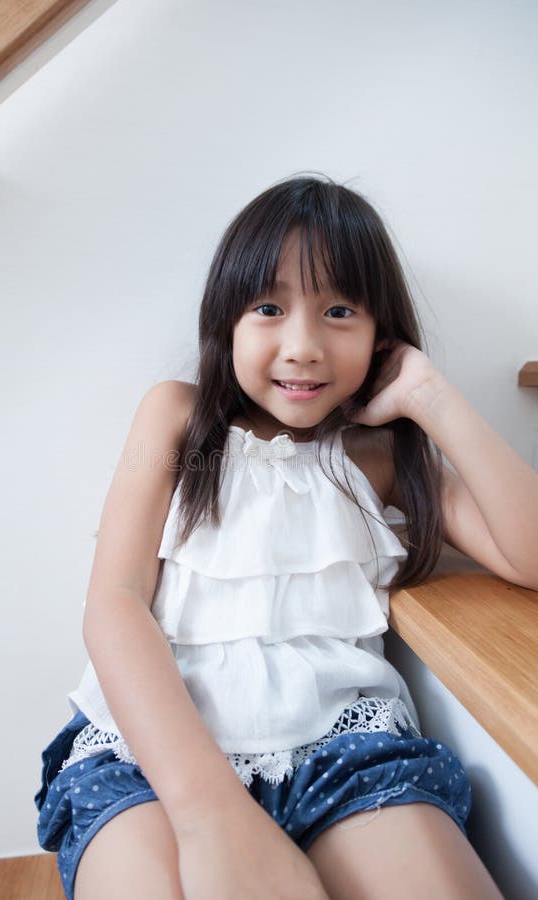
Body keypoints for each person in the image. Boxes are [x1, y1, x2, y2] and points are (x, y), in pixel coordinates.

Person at [35, 174, 537, 900]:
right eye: (269, 307)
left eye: (339, 311)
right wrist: (211, 817)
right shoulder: (175, 422)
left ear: (381, 333)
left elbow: (528, 554)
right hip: (150, 753)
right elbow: (113, 603)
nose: (302, 346)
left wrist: (428, 395)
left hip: (347, 752)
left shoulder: (382, 457)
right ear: (227, 319)